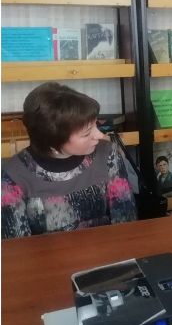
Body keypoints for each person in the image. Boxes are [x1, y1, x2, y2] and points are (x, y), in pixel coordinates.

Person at [1, 83, 136, 239]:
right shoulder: (12, 177)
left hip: (108, 250)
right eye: (86, 133)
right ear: (53, 142)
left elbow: (126, 221)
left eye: (96, 124)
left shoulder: (108, 154)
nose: (100, 135)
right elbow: (17, 246)